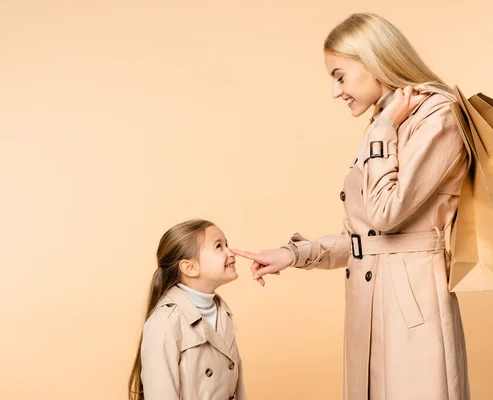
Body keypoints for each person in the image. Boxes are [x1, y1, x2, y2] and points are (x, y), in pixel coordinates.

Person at [231, 12, 470, 400]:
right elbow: (365, 237)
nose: (336, 91)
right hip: (368, 299)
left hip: (413, 307)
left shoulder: (437, 115)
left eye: (340, 76)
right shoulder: (389, 119)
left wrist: (382, 129)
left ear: (374, 59)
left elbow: (386, 214)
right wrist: (295, 254)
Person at [129, 219, 246, 400]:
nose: (231, 252)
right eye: (219, 246)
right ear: (190, 267)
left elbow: (237, 391)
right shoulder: (164, 323)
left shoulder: (223, 313)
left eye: (227, 244)